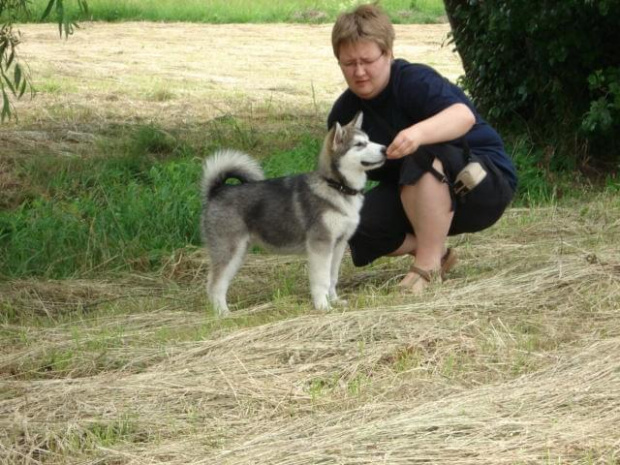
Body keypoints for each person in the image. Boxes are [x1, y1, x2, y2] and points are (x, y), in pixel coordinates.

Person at [328, 4, 517, 294]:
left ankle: (426, 268)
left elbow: (463, 116)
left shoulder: (414, 80)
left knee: (421, 152)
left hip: (481, 183)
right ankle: (435, 251)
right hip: (415, 197)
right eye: (348, 63)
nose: (359, 71)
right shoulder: (343, 114)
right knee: (352, 220)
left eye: (367, 60)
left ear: (388, 53)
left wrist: (416, 133)